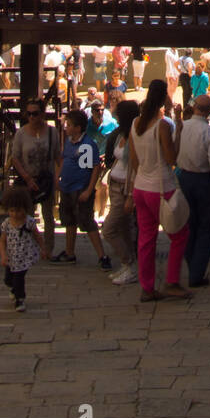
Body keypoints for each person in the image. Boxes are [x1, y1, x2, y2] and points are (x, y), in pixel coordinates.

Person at [126, 79, 190, 301]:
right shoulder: (161, 126)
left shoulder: (135, 124)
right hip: (161, 187)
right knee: (179, 234)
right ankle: (172, 280)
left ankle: (147, 286)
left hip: (141, 187)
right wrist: (179, 130)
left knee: (146, 238)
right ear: (164, 98)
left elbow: (133, 161)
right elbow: (172, 159)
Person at [176, 92, 210, 286]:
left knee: (189, 225)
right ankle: (196, 273)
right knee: (206, 228)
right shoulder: (209, 132)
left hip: (185, 178)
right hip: (204, 180)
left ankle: (193, 266)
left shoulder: (181, 127)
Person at [53, 109, 111, 270]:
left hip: (80, 189)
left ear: (78, 128)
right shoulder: (69, 143)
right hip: (67, 187)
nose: (66, 127)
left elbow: (95, 167)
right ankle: (70, 252)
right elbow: (64, 161)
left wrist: (89, 189)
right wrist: (58, 177)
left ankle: (102, 255)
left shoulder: (87, 145)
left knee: (87, 221)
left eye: (69, 125)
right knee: (69, 220)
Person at [11, 98, 61, 261]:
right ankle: (31, 246)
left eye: (35, 114)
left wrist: (57, 177)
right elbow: (15, 158)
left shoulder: (52, 132)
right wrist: (26, 177)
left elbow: (57, 156)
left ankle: (48, 249)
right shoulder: (21, 133)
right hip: (28, 178)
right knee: (28, 215)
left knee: (48, 215)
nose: (32, 117)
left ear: (42, 114)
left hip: (46, 179)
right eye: (29, 114)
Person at [103, 100, 140, 285]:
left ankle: (128, 261)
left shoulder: (135, 136)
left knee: (108, 229)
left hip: (125, 188)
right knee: (125, 229)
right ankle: (129, 267)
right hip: (114, 184)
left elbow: (135, 166)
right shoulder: (120, 135)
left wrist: (131, 195)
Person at [0, 184, 45, 313]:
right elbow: (2, 242)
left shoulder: (29, 222)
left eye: (18, 210)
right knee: (8, 280)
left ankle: (20, 299)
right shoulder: (6, 224)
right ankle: (13, 289)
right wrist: (3, 255)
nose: (15, 214)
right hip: (11, 256)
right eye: (12, 211)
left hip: (25, 256)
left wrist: (43, 249)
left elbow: (38, 237)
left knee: (19, 278)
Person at [86, 101, 117, 218]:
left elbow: (118, 140)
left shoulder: (112, 124)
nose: (100, 112)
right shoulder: (87, 125)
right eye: (97, 110)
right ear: (92, 112)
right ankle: (94, 210)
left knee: (104, 184)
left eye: (102, 110)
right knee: (94, 185)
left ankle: (102, 213)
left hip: (107, 159)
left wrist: (106, 157)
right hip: (91, 160)